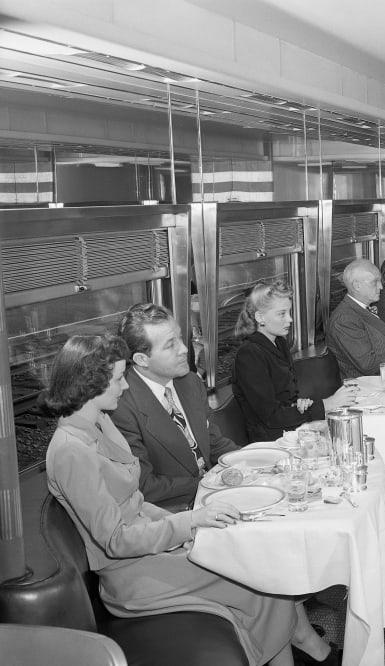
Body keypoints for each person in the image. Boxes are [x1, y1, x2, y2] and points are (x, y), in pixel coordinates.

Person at [43, 335, 297, 666]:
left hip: (152, 550)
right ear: (91, 385)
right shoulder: (70, 452)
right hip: (132, 575)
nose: (124, 387)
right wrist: (189, 523)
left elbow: (133, 500)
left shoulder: (100, 422)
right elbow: (117, 540)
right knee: (259, 579)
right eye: (119, 379)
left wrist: (187, 525)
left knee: (258, 567)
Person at [111, 303, 238, 512]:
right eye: (171, 345)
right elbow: (144, 485)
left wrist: (252, 463)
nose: (184, 349)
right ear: (142, 360)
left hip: (212, 495)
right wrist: (210, 484)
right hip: (172, 511)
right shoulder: (121, 407)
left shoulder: (190, 382)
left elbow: (212, 442)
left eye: (180, 337)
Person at [231, 281, 326, 441]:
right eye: (282, 314)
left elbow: (285, 395)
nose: (290, 319)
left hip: (288, 429)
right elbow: (271, 417)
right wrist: (324, 406)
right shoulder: (249, 355)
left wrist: (298, 404)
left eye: (289, 312)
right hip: (270, 439)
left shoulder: (279, 342)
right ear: (260, 317)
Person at [326, 259, 385, 380]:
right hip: (367, 387)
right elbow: (368, 364)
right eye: (375, 282)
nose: (381, 287)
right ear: (357, 286)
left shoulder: (362, 309)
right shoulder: (344, 319)